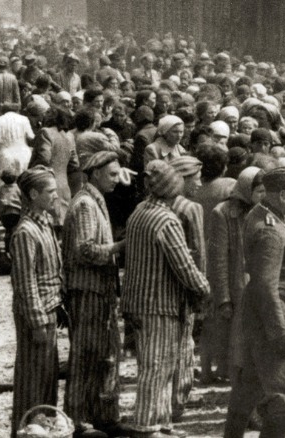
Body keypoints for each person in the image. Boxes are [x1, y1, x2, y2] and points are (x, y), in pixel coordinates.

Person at [120, 160, 209, 437]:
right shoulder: (166, 220)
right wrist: (203, 289)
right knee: (157, 369)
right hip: (159, 305)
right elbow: (183, 266)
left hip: (137, 301)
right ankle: (147, 426)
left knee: (152, 365)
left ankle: (160, 422)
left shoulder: (138, 212)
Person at [223, 167, 285, 438]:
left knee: (250, 386)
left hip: (258, 316)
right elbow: (265, 286)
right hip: (274, 317)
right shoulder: (271, 230)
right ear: (282, 195)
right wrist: (279, 332)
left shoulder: (259, 215)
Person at [62, 151, 125, 438]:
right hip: (86, 291)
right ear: (96, 173)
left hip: (98, 290)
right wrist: (119, 248)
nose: (117, 179)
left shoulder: (95, 200)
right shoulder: (86, 204)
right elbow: (85, 249)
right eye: (112, 174)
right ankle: (78, 419)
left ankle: (99, 416)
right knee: (84, 357)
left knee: (101, 356)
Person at [10, 166, 63, 437]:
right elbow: (26, 284)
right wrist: (38, 322)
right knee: (32, 383)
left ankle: (43, 431)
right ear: (33, 194)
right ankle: (25, 432)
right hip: (37, 317)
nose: (56, 196)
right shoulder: (25, 233)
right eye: (50, 192)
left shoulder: (44, 223)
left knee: (47, 382)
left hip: (49, 310)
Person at [205, 167, 266, 385]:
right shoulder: (223, 213)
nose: (263, 195)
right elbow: (218, 259)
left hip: (260, 285)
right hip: (237, 286)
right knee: (236, 342)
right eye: (259, 190)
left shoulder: (267, 213)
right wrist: (223, 297)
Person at [168, 156, 206, 422]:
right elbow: (200, 253)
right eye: (196, 178)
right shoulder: (190, 208)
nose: (199, 183)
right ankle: (178, 400)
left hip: (166, 285)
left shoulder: (160, 204)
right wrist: (201, 290)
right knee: (185, 344)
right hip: (187, 283)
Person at [29, 107, 81, 230]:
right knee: (60, 226)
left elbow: (44, 158)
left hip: (45, 186)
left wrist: (30, 172)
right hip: (63, 186)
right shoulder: (69, 136)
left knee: (42, 226)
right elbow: (75, 164)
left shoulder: (45, 132)